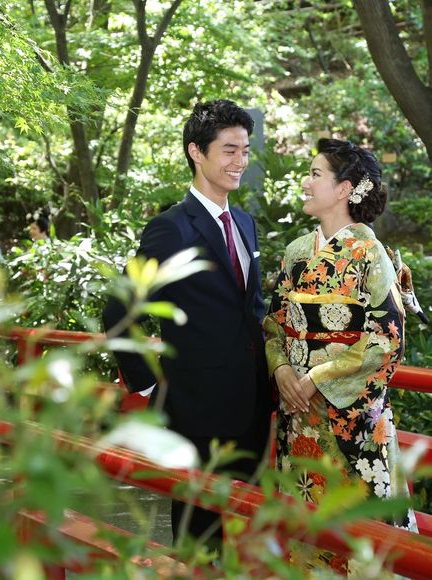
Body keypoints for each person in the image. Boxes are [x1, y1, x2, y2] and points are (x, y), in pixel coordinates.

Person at [103, 99, 272, 544]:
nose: (240, 161)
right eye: (229, 150)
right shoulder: (171, 228)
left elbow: (252, 309)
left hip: (253, 404)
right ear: (197, 152)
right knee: (200, 537)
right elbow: (119, 310)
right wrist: (150, 388)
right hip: (197, 410)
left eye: (245, 150)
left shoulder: (245, 223)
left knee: (248, 532)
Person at [264, 139, 418, 570]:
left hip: (350, 419)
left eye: (315, 174)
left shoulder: (371, 254)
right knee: (303, 522)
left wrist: (316, 377)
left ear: (344, 189)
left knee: (360, 535)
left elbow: (386, 339)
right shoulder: (297, 252)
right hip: (299, 415)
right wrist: (281, 370)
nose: (305, 182)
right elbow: (275, 323)